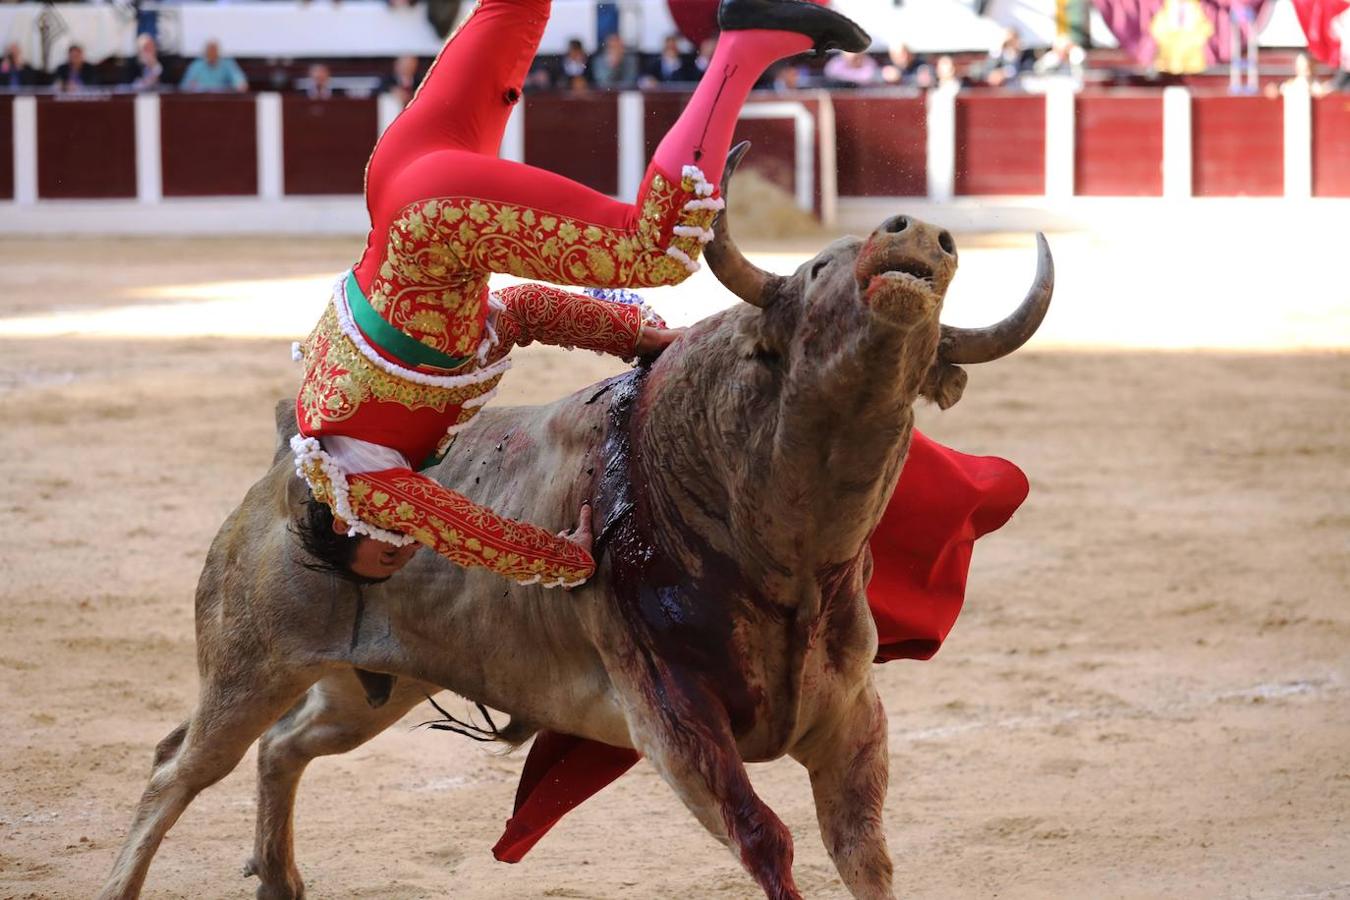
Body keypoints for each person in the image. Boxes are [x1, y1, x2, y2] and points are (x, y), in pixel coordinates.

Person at [288, 0, 869, 587]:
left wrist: (565, 560)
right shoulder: (339, 413)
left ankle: (748, 42)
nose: (407, 545)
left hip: (438, 219)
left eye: (388, 553)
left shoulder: (364, 492)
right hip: (398, 174)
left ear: (343, 525)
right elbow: (517, 311)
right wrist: (633, 334)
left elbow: (472, 534)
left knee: (656, 250)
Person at [180, 40, 248, 94]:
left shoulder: (227, 64)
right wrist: (192, 87)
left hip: (222, 101)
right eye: (209, 51)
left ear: (218, 52)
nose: (212, 53)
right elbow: (184, 86)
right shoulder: (196, 65)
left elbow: (239, 81)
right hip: (201, 101)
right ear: (205, 52)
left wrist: (239, 85)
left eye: (214, 51)